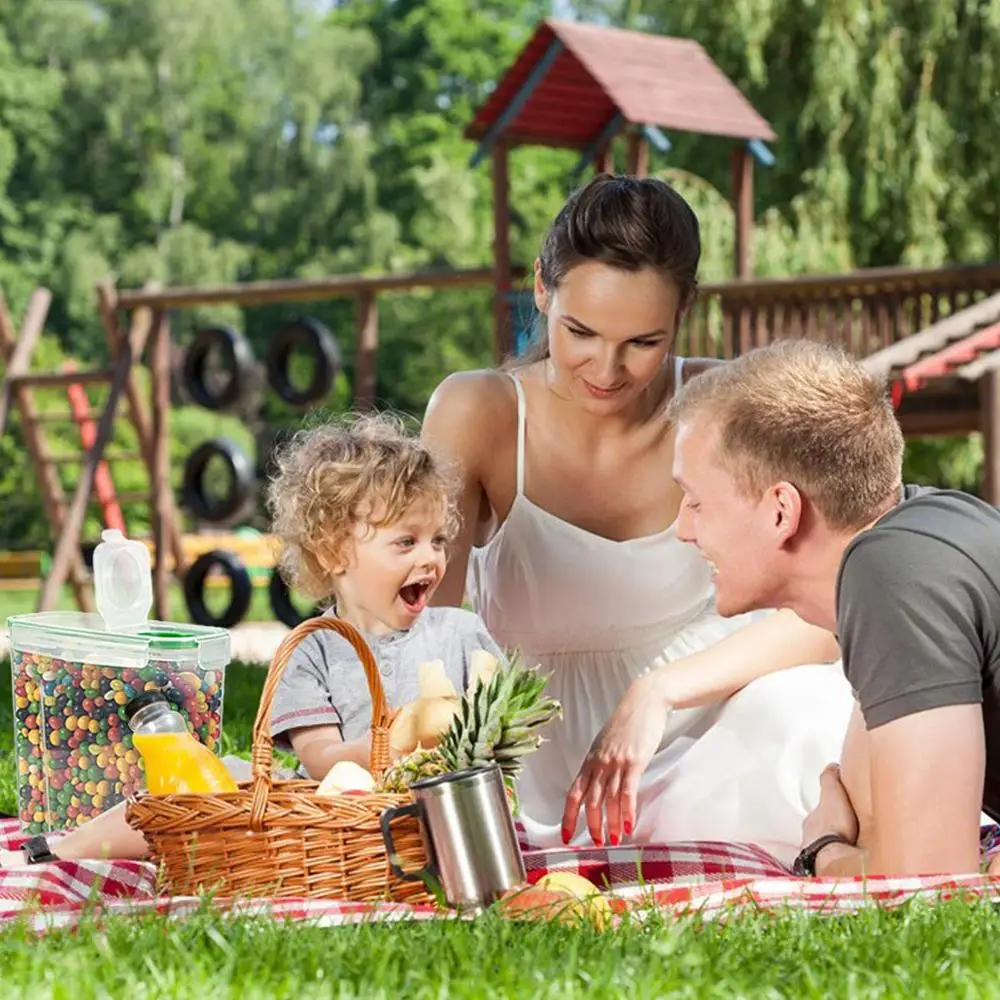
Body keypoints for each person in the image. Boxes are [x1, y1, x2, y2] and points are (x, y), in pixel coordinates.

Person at [421, 173, 856, 865]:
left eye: (643, 342)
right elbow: (422, 638)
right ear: (541, 287)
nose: (607, 369)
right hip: (551, 772)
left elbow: (830, 607)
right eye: (580, 332)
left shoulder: (724, 402)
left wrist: (655, 693)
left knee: (810, 714)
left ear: (684, 310)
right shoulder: (479, 412)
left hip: (717, 725)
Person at [2, 413, 503, 866]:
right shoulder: (313, 649)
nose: (431, 558)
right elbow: (320, 761)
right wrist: (399, 738)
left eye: (438, 539)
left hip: (441, 817)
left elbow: (506, 736)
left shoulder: (462, 636)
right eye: (405, 541)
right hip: (326, 823)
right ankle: (66, 848)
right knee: (221, 778)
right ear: (333, 553)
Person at [616, 336, 1000, 877]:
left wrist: (822, 848)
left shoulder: (892, 574)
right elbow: (817, 630)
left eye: (697, 502)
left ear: (780, 512)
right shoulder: (924, 532)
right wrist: (658, 689)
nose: (682, 529)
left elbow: (929, 879)